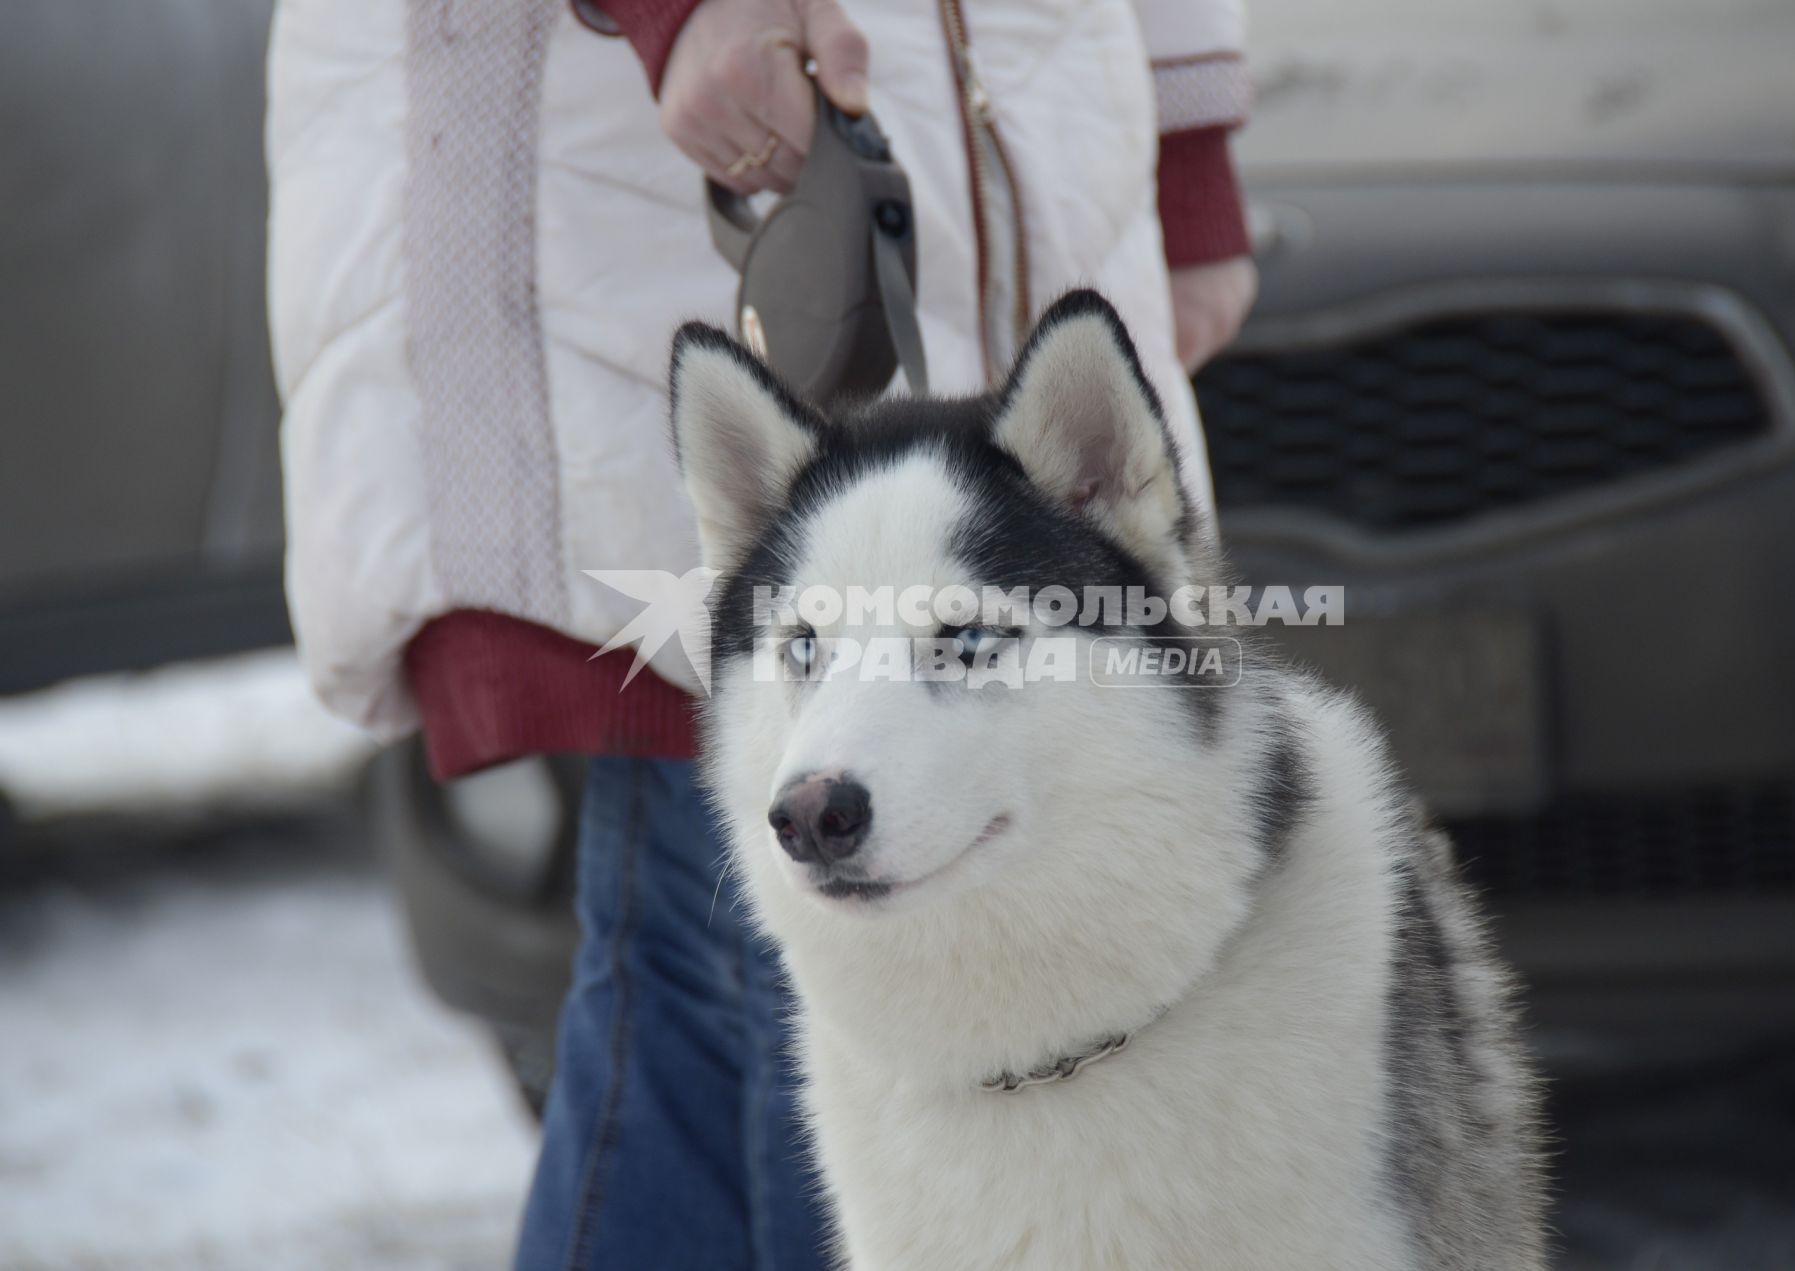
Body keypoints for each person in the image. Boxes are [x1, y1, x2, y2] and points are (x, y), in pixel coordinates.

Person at [265, 0, 1256, 1266]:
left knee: (704, 1012)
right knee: (796, 999)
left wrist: (1184, 153)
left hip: (1023, 207)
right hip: (647, 228)